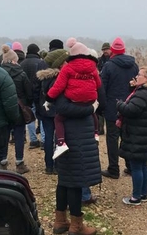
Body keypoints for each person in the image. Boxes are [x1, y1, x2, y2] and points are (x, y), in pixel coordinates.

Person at [51, 93, 101, 235]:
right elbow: (99, 100)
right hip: (79, 134)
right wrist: (90, 108)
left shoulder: (61, 88)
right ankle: (76, 226)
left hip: (65, 137)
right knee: (76, 181)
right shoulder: (81, 87)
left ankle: (60, 222)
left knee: (64, 179)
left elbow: (61, 108)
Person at [47, 38, 101, 159]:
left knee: (58, 119)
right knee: (93, 113)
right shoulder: (93, 67)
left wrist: (49, 98)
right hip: (90, 100)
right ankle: (96, 133)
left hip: (74, 100)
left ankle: (61, 143)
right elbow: (98, 83)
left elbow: (59, 86)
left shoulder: (68, 68)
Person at [117, 66, 147, 205]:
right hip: (146, 136)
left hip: (137, 135)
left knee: (136, 166)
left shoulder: (142, 94)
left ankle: (135, 197)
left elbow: (131, 110)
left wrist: (119, 105)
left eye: (139, 75)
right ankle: (143, 194)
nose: (136, 77)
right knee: (143, 165)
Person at [100, 37, 139, 179]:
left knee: (112, 139)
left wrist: (102, 106)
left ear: (112, 51)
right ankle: (130, 167)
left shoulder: (108, 66)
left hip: (112, 107)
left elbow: (102, 88)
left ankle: (113, 169)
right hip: (130, 105)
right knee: (127, 137)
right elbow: (137, 85)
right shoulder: (134, 65)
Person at [35, 48, 70, 174]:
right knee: (59, 138)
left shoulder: (44, 77)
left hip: (45, 111)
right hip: (59, 111)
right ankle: (58, 165)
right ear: (59, 63)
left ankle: (49, 165)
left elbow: (37, 93)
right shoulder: (62, 77)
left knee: (48, 139)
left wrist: (39, 109)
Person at [0, 48, 33, 174]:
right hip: (19, 108)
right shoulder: (21, 74)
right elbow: (29, 92)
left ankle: (3, 162)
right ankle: (19, 163)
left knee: (4, 136)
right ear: (15, 60)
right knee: (19, 136)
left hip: (3, 109)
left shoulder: (0, 73)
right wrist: (26, 105)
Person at [21, 43, 48, 149]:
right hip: (39, 94)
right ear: (37, 51)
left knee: (30, 117)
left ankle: (33, 140)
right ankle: (44, 140)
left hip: (27, 95)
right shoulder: (41, 63)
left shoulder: (22, 64)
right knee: (42, 117)